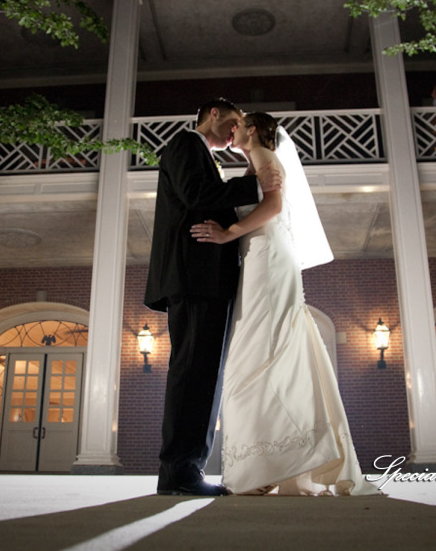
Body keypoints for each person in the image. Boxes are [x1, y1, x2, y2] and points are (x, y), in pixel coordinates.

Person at [191, 113, 379, 497]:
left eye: (239, 124)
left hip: (267, 254)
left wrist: (228, 234)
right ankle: (274, 460)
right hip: (260, 253)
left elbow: (274, 206)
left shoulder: (262, 153)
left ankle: (267, 464)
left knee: (257, 350)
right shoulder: (256, 160)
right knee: (259, 349)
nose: (234, 130)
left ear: (254, 130)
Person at [145, 98, 283, 497]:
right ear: (214, 114)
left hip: (207, 279)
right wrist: (255, 183)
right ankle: (180, 472)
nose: (235, 131)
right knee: (193, 375)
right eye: (234, 121)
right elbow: (195, 193)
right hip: (193, 277)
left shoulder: (204, 153)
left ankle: (186, 469)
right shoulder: (185, 144)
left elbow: (208, 195)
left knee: (203, 374)